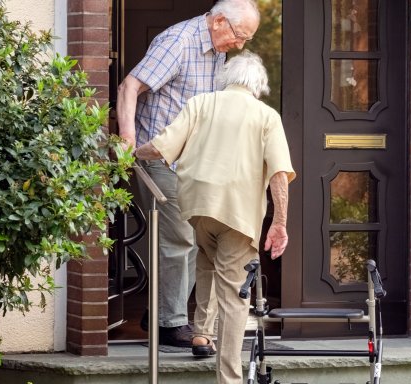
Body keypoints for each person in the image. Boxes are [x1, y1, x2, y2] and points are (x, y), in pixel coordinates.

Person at [134, 51, 295, 384]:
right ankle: (229, 378)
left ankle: (202, 334)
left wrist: (132, 151)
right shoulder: (266, 116)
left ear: (227, 78)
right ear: (258, 86)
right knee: (236, 297)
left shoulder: (201, 103)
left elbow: (162, 147)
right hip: (237, 213)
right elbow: (279, 174)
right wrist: (279, 224)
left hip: (197, 207)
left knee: (207, 261)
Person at [116, 0, 261, 348]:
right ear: (220, 22)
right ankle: (170, 324)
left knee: (196, 236)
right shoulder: (179, 42)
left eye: (245, 40)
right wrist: (127, 139)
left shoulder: (216, 49)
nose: (240, 45)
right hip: (161, 158)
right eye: (240, 36)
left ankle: (163, 312)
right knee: (180, 238)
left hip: (194, 162)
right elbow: (129, 86)